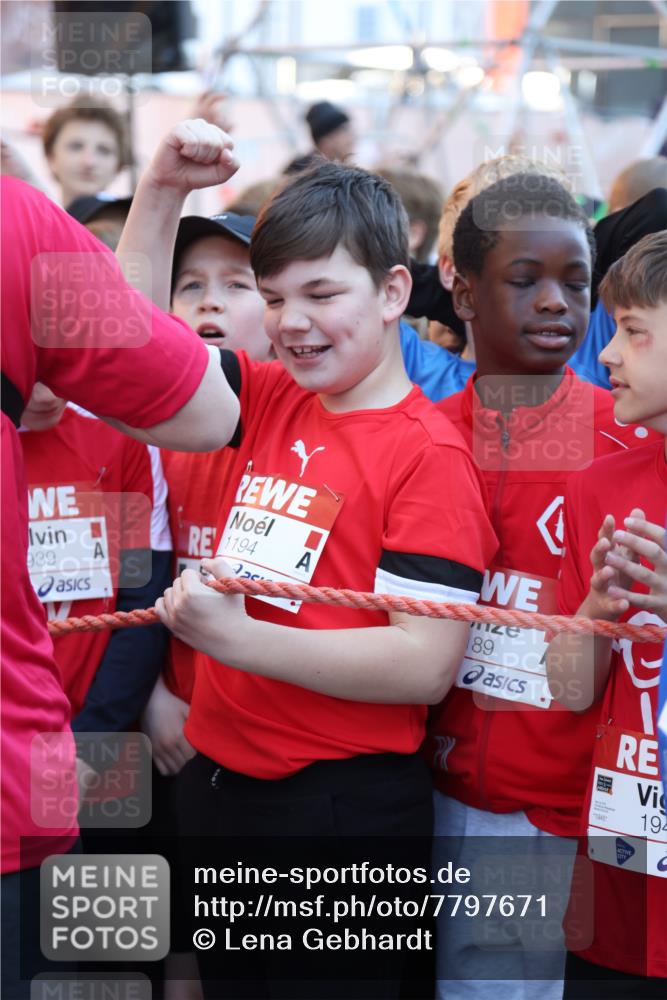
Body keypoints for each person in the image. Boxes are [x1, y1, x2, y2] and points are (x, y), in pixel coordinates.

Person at [119, 119, 498, 997]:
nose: (292, 323)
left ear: (394, 290)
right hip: (222, 793)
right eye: (275, 296)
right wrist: (163, 192)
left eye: (322, 295)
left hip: (337, 817)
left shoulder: (426, 455)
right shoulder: (270, 396)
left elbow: (422, 662)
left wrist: (233, 639)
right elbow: (130, 356)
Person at [0, 122, 239, 997]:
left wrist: (107, 721)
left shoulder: (109, 438)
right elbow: (176, 386)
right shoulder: (18, 229)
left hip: (77, 744)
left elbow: (143, 572)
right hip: (25, 774)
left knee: (104, 951)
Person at [424, 173, 658, 1000]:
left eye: (573, 281)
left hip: (586, 818)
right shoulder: (420, 438)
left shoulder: (623, 438)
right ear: (458, 286)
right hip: (444, 801)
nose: (556, 303)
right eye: (526, 281)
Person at [545, 231, 667, 996]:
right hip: (621, 846)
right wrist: (595, 607)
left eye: (632, 331)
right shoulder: (599, 485)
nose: (606, 355)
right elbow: (565, 688)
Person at [41, 95, 131, 207]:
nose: (89, 162)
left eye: (104, 150)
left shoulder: (135, 223)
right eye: (76, 147)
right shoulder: (33, 220)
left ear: (118, 166)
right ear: (51, 158)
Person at [283, 100, 356, 174]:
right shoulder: (302, 173)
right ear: (325, 141)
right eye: (344, 129)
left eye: (350, 129)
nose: (352, 135)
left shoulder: (338, 169)